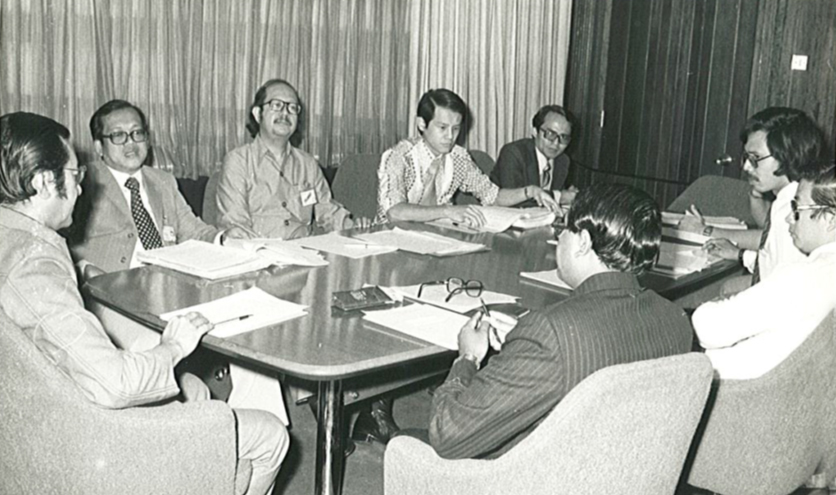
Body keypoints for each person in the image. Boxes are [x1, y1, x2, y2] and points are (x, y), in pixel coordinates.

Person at [0, 112, 288, 495]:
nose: (81, 189)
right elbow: (113, 383)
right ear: (42, 182)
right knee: (271, 436)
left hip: (37, 418)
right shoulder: (36, 264)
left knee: (195, 389)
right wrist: (174, 348)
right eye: (73, 175)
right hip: (92, 439)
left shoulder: (12, 238)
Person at [427, 183, 693, 459]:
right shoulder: (676, 319)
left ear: (583, 242)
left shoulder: (550, 333)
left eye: (563, 230)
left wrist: (467, 358)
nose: (559, 238)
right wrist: (523, 346)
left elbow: (447, 434)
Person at [66, 99, 289, 426]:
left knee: (250, 329)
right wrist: (87, 269)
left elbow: (194, 229)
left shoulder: (162, 181)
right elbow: (65, 244)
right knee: (153, 352)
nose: (131, 143)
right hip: (115, 297)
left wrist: (226, 239)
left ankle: (256, 427)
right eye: (118, 136)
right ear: (99, 146)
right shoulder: (83, 184)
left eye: (138, 133)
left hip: (174, 289)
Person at [693, 162, 836, 379]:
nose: (789, 218)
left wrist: (710, 306)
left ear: (830, 219)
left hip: (741, 388)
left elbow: (708, 329)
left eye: (797, 209)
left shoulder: (802, 277)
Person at [679, 107, 825, 291]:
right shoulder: (786, 197)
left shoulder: (795, 208)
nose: (747, 167)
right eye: (746, 158)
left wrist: (706, 231)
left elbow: (780, 281)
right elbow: (774, 258)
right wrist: (740, 255)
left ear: (787, 155)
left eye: (756, 158)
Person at [376, 89, 558, 227]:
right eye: (442, 127)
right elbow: (395, 212)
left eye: (456, 129)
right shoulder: (399, 156)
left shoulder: (458, 158)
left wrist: (531, 191)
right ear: (422, 124)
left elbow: (492, 196)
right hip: (391, 239)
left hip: (436, 238)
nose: (450, 136)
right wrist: (448, 211)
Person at [217, 78, 367, 239]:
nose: (285, 113)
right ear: (257, 114)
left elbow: (327, 211)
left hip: (304, 250)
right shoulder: (238, 162)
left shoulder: (308, 164)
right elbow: (236, 227)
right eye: (276, 105)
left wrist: (355, 227)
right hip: (259, 250)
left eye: (292, 108)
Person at [489, 104, 578, 207]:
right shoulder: (513, 153)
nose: (556, 143)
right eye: (550, 134)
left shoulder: (563, 161)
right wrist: (560, 197)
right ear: (535, 132)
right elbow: (515, 202)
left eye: (564, 137)